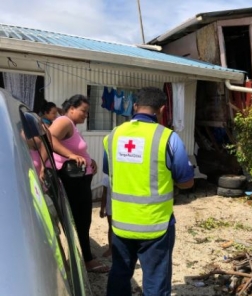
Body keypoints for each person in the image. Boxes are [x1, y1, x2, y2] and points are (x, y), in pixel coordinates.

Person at [103, 87, 194, 296]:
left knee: (119, 274)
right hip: (156, 226)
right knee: (155, 282)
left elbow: (110, 173)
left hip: (121, 224)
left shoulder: (113, 136)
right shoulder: (168, 138)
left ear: (135, 107)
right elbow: (186, 182)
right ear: (161, 109)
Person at [47, 94, 109, 273]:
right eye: (83, 111)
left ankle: (84, 254)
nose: (86, 115)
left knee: (83, 220)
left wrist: (90, 161)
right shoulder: (64, 121)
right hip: (74, 182)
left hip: (81, 180)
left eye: (87, 112)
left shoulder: (71, 125)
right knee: (81, 220)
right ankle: (88, 261)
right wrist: (71, 155)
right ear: (71, 108)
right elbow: (49, 139)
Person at [99, 172, 112, 257]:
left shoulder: (107, 177)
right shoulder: (107, 177)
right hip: (111, 206)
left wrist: (102, 208)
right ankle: (111, 249)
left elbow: (104, 194)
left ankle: (111, 249)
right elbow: (104, 194)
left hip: (117, 207)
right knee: (111, 227)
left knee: (112, 228)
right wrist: (102, 208)